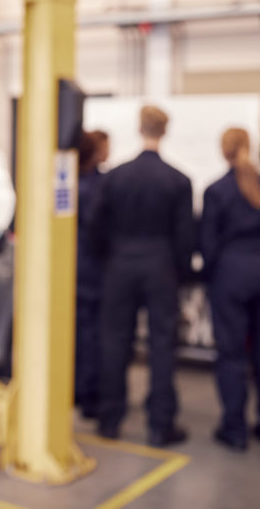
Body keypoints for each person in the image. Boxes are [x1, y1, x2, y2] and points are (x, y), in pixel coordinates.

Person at [92, 105, 194, 447]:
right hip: (161, 268)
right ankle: (159, 425)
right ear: (164, 131)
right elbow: (184, 237)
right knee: (162, 345)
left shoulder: (115, 177)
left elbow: (96, 227)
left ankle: (110, 419)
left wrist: (108, 259)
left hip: (119, 267)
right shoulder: (178, 181)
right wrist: (180, 274)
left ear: (139, 129)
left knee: (114, 342)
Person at [200, 128, 260, 451]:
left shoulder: (216, 191)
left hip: (230, 277)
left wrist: (208, 278)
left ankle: (235, 430)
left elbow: (208, 247)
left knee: (232, 355)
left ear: (223, 151)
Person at [75, 130, 108, 419]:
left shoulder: (67, 184)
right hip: (91, 271)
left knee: (77, 332)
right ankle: (90, 396)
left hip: (72, 270)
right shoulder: (96, 188)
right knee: (91, 335)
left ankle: (73, 390)